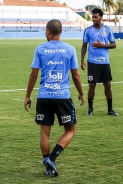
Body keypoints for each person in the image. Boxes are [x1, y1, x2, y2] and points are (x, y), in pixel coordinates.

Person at [24, 19, 85, 177]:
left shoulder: (40, 49)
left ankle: (48, 165)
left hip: (44, 95)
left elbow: (34, 74)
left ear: (48, 31)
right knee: (70, 129)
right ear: (61, 32)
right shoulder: (70, 49)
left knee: (45, 133)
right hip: (62, 96)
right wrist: (81, 92)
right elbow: (76, 75)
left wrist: (28, 96)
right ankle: (52, 158)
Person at [81, 8, 119, 116]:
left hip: (105, 63)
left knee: (107, 85)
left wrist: (102, 45)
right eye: (93, 17)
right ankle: (90, 109)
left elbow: (114, 44)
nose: (94, 19)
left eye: (96, 17)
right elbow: (84, 46)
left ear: (101, 17)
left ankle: (110, 110)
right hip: (92, 63)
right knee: (92, 85)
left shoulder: (107, 30)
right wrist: (82, 60)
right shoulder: (88, 31)